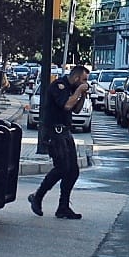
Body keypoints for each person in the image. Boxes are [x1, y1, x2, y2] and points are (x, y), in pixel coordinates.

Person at [29, 64, 89, 220]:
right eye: (83, 80)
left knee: (73, 170)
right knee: (61, 168)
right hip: (54, 133)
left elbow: (75, 110)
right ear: (76, 78)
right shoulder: (59, 86)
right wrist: (78, 91)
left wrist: (82, 95)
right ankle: (37, 196)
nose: (84, 83)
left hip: (66, 133)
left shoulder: (73, 89)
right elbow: (67, 104)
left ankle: (63, 207)